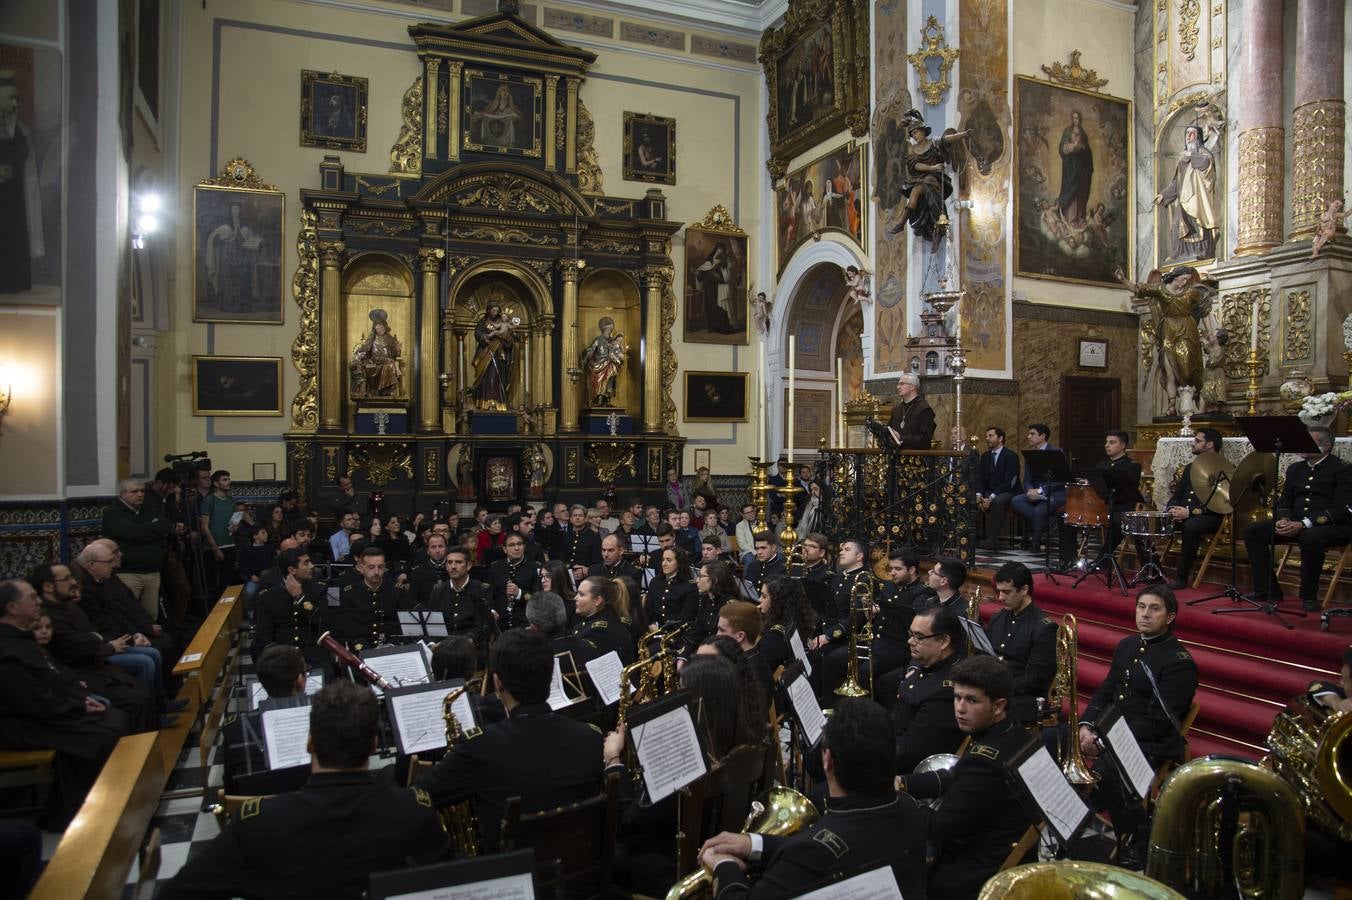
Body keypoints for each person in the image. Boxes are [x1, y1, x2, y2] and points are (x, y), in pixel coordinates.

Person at [164, 681, 449, 899]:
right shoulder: (413, 809)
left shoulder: (259, 821)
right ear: (374, 745)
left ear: (310, 743)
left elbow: (177, 893)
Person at [699, 698, 927, 898]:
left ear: (828, 761)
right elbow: (837, 847)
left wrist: (724, 866)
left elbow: (820, 852)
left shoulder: (814, 852)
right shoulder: (910, 809)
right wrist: (755, 844)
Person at [415, 629, 603, 853]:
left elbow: (420, 796)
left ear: (498, 682)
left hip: (510, 877)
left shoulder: (479, 746)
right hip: (579, 873)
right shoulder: (591, 737)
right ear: (550, 677)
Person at [606, 653, 759, 896]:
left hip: (672, 869)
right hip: (714, 851)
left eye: (680, 689)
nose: (673, 695)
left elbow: (627, 823)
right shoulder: (745, 743)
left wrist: (614, 760)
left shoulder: (683, 762)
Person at [1077, 585, 1198, 867]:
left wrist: (1104, 740)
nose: (1144, 614)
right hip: (1108, 732)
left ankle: (1137, 837)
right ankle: (1069, 814)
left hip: (1148, 740)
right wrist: (1086, 724)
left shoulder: (1180, 663)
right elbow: (1107, 691)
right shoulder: (1128, 645)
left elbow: (1157, 720)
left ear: (1170, 617)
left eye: (1154, 608)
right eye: (1141, 606)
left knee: (1107, 769)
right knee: (1051, 741)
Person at [900, 655, 1037, 900]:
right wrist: (903, 783)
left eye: (972, 700)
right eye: (957, 697)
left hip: (973, 873)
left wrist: (895, 801)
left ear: (998, 706)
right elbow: (957, 775)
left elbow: (937, 828)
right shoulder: (1014, 733)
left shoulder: (986, 761)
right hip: (1004, 850)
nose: (960, 708)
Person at [0, 579, 132, 828]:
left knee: (115, 718)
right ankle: (78, 812)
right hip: (18, 723)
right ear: (12, 608)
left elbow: (57, 675)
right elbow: (28, 698)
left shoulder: (23, 639)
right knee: (101, 733)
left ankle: (104, 798)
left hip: (46, 711)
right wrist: (77, 707)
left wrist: (81, 699)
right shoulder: (6, 649)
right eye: (31, 597)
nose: (39, 600)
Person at [30, 563, 159, 731]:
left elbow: (94, 634)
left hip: (96, 662)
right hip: (82, 671)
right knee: (138, 695)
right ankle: (139, 747)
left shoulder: (70, 607)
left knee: (142, 689)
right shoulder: (48, 616)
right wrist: (108, 645)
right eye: (67, 579)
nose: (73, 582)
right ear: (48, 586)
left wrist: (129, 638)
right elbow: (77, 646)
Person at [1243, 424, 1352, 611]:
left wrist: (1304, 524)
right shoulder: (1295, 469)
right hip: (1294, 523)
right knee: (1253, 531)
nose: (1301, 444)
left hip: (1331, 526)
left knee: (1310, 537)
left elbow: (1342, 509)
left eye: (1308, 442)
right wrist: (1283, 519)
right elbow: (1285, 502)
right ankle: (1267, 589)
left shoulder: (1342, 469)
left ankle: (1309, 596)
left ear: (1326, 447)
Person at [221, 645, 312, 796]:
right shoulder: (325, 719)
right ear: (301, 680)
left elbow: (231, 790)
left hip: (258, 815)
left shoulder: (234, 729)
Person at [894, 603, 966, 774]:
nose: (910, 641)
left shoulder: (945, 691)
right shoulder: (927, 664)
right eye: (911, 634)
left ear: (943, 641)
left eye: (919, 637)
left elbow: (908, 754)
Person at [984, 561, 1056, 724]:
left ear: (1024, 590)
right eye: (999, 591)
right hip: (995, 690)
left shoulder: (1044, 628)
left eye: (1006, 592)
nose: (1000, 597)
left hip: (1023, 698)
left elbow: (1034, 679)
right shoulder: (998, 618)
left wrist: (995, 688)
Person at [864, 547, 937, 704]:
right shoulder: (890, 586)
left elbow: (911, 623)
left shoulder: (922, 593)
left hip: (899, 648)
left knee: (865, 671)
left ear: (912, 570)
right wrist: (872, 610)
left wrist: (881, 609)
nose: (892, 573)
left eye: (897, 569)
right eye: (891, 569)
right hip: (878, 641)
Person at [100, 478, 172, 618]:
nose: (140, 494)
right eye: (135, 491)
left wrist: (144, 530)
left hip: (152, 571)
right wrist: (152, 528)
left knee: (151, 616)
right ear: (122, 494)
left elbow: (166, 525)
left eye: (142, 491)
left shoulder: (147, 509)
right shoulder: (113, 513)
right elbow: (132, 534)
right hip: (128, 573)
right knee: (129, 615)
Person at [1165, 428, 1225, 590]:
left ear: (1210, 444)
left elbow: (1220, 502)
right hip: (1182, 513)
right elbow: (1178, 494)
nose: (1193, 443)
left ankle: (1181, 577)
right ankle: (1153, 570)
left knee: (1191, 526)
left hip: (1209, 516)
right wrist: (1171, 509)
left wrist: (1189, 512)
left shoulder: (1223, 468)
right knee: (1150, 521)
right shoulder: (1191, 467)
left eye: (1197, 441)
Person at [1154, 123, 1220, 263]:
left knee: (1198, 224)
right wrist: (1164, 195)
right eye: (1187, 134)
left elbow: (1205, 163)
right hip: (1183, 199)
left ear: (1199, 138)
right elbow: (1177, 182)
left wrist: (1191, 154)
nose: (1189, 137)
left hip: (1197, 199)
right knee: (1178, 223)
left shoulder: (1203, 154)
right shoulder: (1182, 160)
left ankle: (1201, 251)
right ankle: (1180, 252)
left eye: (1192, 134)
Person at [252, 547, 327, 666]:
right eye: (306, 563)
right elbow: (263, 635)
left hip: (314, 655)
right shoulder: (268, 597)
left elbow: (323, 621)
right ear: (292, 570)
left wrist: (300, 597)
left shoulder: (319, 590)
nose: (312, 566)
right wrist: (279, 656)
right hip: (282, 658)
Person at [1009, 424, 1066, 554]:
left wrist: (1040, 491)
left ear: (1043, 436)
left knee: (1040, 509)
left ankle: (1035, 543)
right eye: (1029, 434)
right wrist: (1029, 491)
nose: (1029, 437)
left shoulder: (1056, 452)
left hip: (1055, 493)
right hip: (1035, 493)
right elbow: (1027, 480)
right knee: (1015, 501)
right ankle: (1047, 524)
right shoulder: (1031, 454)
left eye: (1032, 434)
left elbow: (1060, 479)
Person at [331, 546, 399, 650]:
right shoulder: (349, 594)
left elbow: (400, 627)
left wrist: (390, 645)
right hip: (361, 649)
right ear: (361, 568)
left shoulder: (395, 590)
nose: (376, 572)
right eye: (371, 567)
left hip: (391, 649)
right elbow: (348, 630)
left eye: (380, 567)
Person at [431, 548, 496, 646]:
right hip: (443, 647)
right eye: (449, 562)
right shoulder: (438, 590)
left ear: (468, 565)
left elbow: (483, 625)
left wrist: (469, 639)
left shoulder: (482, 590)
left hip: (472, 646)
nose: (453, 566)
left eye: (458, 562)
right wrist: (433, 644)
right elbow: (433, 624)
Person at [757, 575, 818, 675]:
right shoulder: (795, 622)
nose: (759, 600)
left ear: (777, 602)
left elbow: (758, 671)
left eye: (764, 596)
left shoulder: (775, 637)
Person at [974, 427, 1022, 551]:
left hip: (1008, 491)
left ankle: (992, 539)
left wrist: (990, 498)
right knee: (971, 499)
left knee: (998, 501)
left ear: (1000, 438)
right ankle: (972, 536)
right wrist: (979, 494)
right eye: (986, 436)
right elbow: (980, 478)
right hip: (989, 490)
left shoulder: (1011, 456)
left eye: (991, 436)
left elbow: (1008, 483)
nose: (987, 439)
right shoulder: (985, 456)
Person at [572, 575, 636, 665]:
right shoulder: (592, 621)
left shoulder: (600, 630)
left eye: (581, 594)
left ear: (597, 600)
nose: (575, 598)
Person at [683, 562, 738, 660]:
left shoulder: (730, 604)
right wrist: (683, 655)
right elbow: (698, 629)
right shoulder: (706, 599)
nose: (697, 580)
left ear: (715, 580)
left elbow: (728, 642)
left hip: (720, 657)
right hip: (704, 650)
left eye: (701, 576)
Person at [716, 600, 772, 691]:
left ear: (740, 636)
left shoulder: (746, 675)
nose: (717, 635)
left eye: (721, 630)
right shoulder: (754, 658)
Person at [198, 469, 238, 594]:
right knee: (213, 585)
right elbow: (204, 526)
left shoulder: (231, 501)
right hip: (213, 548)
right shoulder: (209, 500)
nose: (228, 482)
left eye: (229, 479)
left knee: (228, 584)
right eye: (224, 480)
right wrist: (215, 548)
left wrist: (235, 527)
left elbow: (232, 522)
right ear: (216, 484)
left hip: (230, 545)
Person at [490, 533, 540, 628]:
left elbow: (538, 598)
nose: (517, 548)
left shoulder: (535, 567)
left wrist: (519, 593)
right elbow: (489, 593)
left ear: (524, 546)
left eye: (520, 544)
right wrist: (492, 610)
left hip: (525, 622)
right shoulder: (495, 567)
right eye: (512, 545)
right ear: (504, 549)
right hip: (500, 622)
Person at [349, 309, 403, 398]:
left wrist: (397, 349)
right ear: (374, 328)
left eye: (382, 327)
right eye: (377, 327)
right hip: (374, 361)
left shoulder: (390, 339)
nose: (380, 329)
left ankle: (387, 393)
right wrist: (358, 355)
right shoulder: (372, 338)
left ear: (385, 327)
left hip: (386, 362)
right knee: (366, 367)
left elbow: (395, 354)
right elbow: (364, 349)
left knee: (389, 366)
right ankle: (369, 392)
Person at [471, 302, 513, 410]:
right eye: (493, 310)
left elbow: (509, 338)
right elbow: (478, 333)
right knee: (485, 376)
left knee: (497, 376)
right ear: (488, 310)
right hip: (485, 351)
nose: (496, 313)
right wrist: (483, 337)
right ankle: (483, 401)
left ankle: (498, 401)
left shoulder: (501, 322)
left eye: (497, 311)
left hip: (498, 352)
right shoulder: (483, 322)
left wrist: (507, 338)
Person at [645, 546, 697, 629]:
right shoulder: (655, 581)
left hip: (676, 633)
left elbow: (686, 618)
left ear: (679, 562)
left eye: (669, 560)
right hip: (653, 629)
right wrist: (651, 624)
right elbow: (648, 610)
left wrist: (663, 630)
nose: (664, 564)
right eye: (663, 560)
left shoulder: (689, 586)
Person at [581, 317, 627, 406]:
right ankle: (598, 399)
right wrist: (587, 354)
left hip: (610, 364)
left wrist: (620, 357)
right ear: (602, 329)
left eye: (610, 329)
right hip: (599, 364)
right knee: (599, 382)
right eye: (607, 329)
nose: (608, 331)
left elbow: (618, 351)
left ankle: (608, 400)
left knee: (610, 381)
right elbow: (591, 349)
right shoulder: (598, 340)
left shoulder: (613, 341)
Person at [887, 372, 936, 450]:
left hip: (916, 457)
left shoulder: (924, 409)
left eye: (902, 384)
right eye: (898, 384)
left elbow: (925, 439)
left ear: (912, 387)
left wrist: (901, 438)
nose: (898, 387)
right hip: (896, 457)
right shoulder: (896, 409)